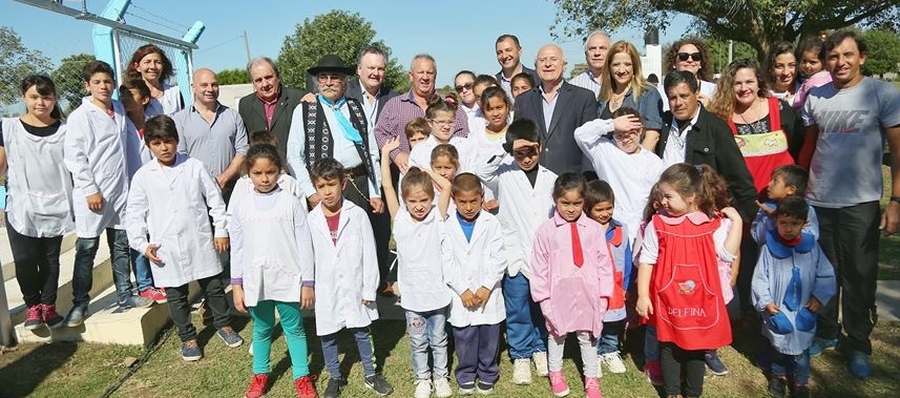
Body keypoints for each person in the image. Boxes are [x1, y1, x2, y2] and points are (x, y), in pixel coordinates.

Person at [798, 30, 900, 378]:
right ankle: (827, 333)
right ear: (826, 61)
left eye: (848, 55)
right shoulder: (816, 96)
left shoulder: (882, 94)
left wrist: (896, 200)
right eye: (833, 56)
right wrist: (798, 189)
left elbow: (898, 152)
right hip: (818, 201)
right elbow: (810, 148)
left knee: (859, 277)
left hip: (860, 204)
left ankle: (857, 343)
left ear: (862, 57)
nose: (840, 62)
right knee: (824, 275)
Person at [124, 115, 243, 361]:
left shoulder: (193, 166)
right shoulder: (143, 176)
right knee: (176, 296)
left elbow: (214, 201)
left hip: (198, 240)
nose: (164, 147)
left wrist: (220, 230)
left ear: (177, 141)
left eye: (168, 141)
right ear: (149, 145)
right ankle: (187, 337)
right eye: (157, 143)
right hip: (164, 247)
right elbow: (134, 214)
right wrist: (142, 244)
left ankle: (223, 324)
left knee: (213, 287)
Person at [635, 164, 742, 398]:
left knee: (696, 347)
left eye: (668, 196)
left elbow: (726, 254)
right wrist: (643, 294)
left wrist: (738, 223)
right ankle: (673, 392)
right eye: (662, 195)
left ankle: (694, 393)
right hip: (668, 296)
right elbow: (647, 259)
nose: (662, 201)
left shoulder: (710, 223)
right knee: (668, 344)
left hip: (700, 298)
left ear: (691, 197)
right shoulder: (658, 224)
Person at [64, 60, 152, 327]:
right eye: (97, 82)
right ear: (87, 85)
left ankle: (125, 295)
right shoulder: (80, 116)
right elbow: (75, 157)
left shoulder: (119, 110)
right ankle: (80, 304)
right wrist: (91, 190)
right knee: (87, 248)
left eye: (107, 81)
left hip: (121, 191)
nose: (103, 86)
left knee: (121, 246)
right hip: (93, 195)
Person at [227, 143, 317, 398]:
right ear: (248, 174)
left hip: (288, 279)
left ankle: (302, 377)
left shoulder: (290, 202)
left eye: (271, 172)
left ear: (280, 170)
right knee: (263, 328)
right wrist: (237, 285)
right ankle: (260, 376)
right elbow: (238, 248)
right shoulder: (242, 206)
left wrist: (307, 282)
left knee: (294, 329)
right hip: (256, 281)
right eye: (258, 173)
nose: (265, 178)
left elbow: (305, 244)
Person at [305, 157, 393, 398]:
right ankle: (335, 376)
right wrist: (308, 286)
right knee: (327, 333)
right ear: (315, 188)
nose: (327, 191)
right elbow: (307, 256)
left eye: (331, 185)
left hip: (356, 283)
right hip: (326, 286)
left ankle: (371, 373)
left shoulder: (358, 215)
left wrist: (368, 288)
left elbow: (369, 254)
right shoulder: (310, 220)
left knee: (362, 329)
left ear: (343, 184)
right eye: (321, 186)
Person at [477, 118, 556, 385]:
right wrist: (507, 146)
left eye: (531, 151)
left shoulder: (551, 179)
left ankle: (539, 348)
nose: (525, 158)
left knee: (540, 308)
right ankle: (521, 353)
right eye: (519, 153)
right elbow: (481, 170)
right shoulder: (504, 174)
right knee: (518, 307)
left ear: (540, 147)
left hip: (544, 258)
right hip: (515, 256)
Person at [380, 137, 454, 398]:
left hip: (436, 295)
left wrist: (426, 170)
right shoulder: (400, 219)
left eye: (424, 200)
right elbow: (388, 186)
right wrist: (385, 154)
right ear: (405, 201)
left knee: (439, 340)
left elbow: (446, 187)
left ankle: (441, 377)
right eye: (413, 201)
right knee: (418, 342)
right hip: (412, 297)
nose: (419, 206)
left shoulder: (437, 215)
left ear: (430, 198)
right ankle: (423, 379)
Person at [531, 172, 613, 398]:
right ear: (555, 200)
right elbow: (539, 267)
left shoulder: (595, 230)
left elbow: (604, 264)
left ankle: (592, 378)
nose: (571, 208)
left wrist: (604, 295)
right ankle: (555, 372)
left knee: (588, 336)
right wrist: (544, 299)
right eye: (565, 203)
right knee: (557, 334)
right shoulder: (546, 231)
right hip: (558, 294)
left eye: (577, 203)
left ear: (584, 201)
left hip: (589, 294)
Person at [0, 75, 73, 330]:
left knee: (51, 259)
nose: (40, 102)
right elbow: (1, 167)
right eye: (34, 97)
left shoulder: (65, 130)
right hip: (21, 205)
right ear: (23, 98)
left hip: (57, 204)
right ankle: (32, 304)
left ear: (54, 99)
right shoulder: (8, 128)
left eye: (46, 97)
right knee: (24, 258)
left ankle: (49, 306)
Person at [752, 196, 836, 398]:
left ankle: (801, 382)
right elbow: (760, 278)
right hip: (778, 305)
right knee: (778, 344)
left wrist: (819, 297)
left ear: (804, 223)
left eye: (795, 223)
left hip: (804, 307)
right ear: (776, 221)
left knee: (802, 350)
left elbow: (825, 274)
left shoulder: (812, 248)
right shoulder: (768, 248)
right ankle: (778, 376)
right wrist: (765, 301)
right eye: (783, 223)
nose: (788, 228)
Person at [655, 71, 758, 221]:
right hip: (667, 215)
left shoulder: (716, 128)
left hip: (704, 217)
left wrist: (752, 218)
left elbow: (739, 179)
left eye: (684, 96)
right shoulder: (661, 124)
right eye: (673, 97)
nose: (678, 102)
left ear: (696, 94)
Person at [445, 173, 506, 395]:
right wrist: (463, 290)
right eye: (463, 202)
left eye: (474, 201)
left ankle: (488, 372)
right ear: (453, 199)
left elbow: (499, 258)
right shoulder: (446, 225)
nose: (469, 207)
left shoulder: (492, 223)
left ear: (482, 197)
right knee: (465, 336)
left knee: (490, 336)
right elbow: (446, 261)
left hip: (488, 293)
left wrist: (486, 286)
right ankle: (466, 374)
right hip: (461, 294)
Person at [707, 59, 802, 194]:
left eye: (749, 82)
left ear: (759, 83)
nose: (744, 88)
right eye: (737, 83)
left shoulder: (781, 109)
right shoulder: (721, 118)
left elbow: (797, 148)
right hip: (741, 201)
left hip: (782, 203)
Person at [574, 107, 661, 242]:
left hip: (643, 231)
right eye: (620, 135)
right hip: (613, 228)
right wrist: (612, 124)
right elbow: (580, 134)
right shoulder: (604, 150)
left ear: (641, 130)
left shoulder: (654, 161)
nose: (626, 139)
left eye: (631, 133)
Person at [375, 54, 468, 174]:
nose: (425, 77)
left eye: (429, 73)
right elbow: (380, 133)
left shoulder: (450, 105)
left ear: (435, 76)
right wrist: (396, 155)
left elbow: (462, 133)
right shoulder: (393, 105)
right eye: (420, 72)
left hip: (446, 179)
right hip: (409, 179)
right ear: (411, 76)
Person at [118, 78, 167, 304]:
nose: (125, 99)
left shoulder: (152, 124)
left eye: (130, 94)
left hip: (155, 186)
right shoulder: (119, 123)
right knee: (137, 236)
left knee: (156, 233)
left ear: (145, 99)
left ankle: (161, 279)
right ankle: (145, 284)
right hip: (128, 189)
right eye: (123, 95)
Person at [515, 44, 598, 175]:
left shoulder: (583, 98)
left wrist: (587, 181)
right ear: (536, 67)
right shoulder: (523, 100)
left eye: (553, 59)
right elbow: (518, 142)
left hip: (571, 182)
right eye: (542, 60)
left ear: (564, 65)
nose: (547, 64)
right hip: (534, 179)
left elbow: (590, 144)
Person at [173, 68, 249, 202]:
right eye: (204, 85)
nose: (210, 89)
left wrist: (224, 178)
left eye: (214, 84)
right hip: (195, 194)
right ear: (193, 87)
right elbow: (180, 155)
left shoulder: (233, 116)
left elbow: (242, 151)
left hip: (230, 191)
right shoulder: (180, 119)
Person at [584, 180, 632, 375]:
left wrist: (626, 285)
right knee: (593, 319)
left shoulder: (621, 229)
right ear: (587, 209)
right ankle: (592, 352)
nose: (605, 213)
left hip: (615, 284)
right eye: (599, 209)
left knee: (613, 320)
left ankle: (610, 350)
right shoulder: (584, 229)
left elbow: (627, 258)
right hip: (592, 285)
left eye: (609, 208)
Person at [597, 40, 665, 152]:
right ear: (609, 67)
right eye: (616, 65)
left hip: (635, 165)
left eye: (627, 64)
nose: (621, 70)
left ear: (635, 66)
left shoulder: (648, 93)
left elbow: (652, 136)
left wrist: (635, 164)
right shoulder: (603, 97)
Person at [238, 57, 308, 158]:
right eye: (258, 80)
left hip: (292, 168)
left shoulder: (298, 98)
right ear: (253, 83)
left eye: (268, 77)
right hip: (262, 169)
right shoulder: (245, 104)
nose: (265, 84)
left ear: (278, 76)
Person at [469, 86, 512, 212]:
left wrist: (500, 200)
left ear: (507, 106)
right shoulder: (476, 137)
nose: (495, 113)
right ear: (483, 111)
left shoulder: (515, 134)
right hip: (483, 205)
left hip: (511, 201)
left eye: (499, 107)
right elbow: (471, 169)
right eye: (490, 109)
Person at [751, 165, 819, 244]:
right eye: (771, 180)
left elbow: (813, 236)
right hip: (771, 255)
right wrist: (770, 218)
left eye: (775, 181)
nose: (769, 184)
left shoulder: (806, 210)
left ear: (791, 189)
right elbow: (758, 237)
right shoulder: (766, 207)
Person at [408, 97, 474, 173]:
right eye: (441, 122)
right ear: (429, 123)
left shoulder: (466, 145)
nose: (446, 127)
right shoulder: (419, 151)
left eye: (450, 122)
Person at [346, 45, 399, 133]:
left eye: (380, 69)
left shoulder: (394, 99)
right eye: (371, 68)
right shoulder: (344, 94)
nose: (376, 73)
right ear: (359, 69)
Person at [125, 43, 184, 117]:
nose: (153, 66)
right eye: (147, 62)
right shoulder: (131, 95)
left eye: (157, 62)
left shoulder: (174, 93)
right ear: (137, 67)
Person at [659, 38, 716, 110]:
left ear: (701, 63)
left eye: (695, 57)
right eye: (683, 56)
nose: (690, 60)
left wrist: (711, 108)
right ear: (674, 63)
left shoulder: (714, 90)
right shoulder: (660, 93)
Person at [792, 36, 832, 111]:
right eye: (804, 61)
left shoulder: (813, 83)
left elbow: (798, 103)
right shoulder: (831, 77)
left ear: (823, 62)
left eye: (813, 62)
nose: (807, 65)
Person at [495, 34, 539, 100]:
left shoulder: (537, 78)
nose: (504, 56)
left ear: (519, 51)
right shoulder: (494, 83)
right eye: (499, 52)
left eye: (508, 50)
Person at [570, 31, 612, 97]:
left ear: (611, 53)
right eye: (592, 49)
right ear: (586, 54)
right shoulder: (574, 85)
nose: (597, 53)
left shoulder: (622, 82)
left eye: (602, 48)